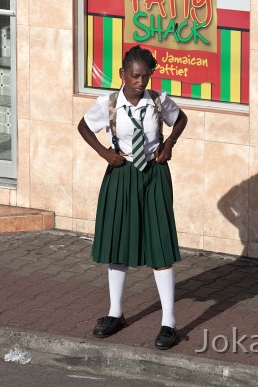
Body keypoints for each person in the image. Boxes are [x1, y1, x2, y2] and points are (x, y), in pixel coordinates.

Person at [77, 45, 188, 350]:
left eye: (147, 76)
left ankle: (169, 322)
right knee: (118, 241)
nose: (141, 82)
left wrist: (169, 146)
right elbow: (84, 127)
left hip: (154, 174)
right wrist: (105, 154)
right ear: (123, 74)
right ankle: (116, 313)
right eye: (136, 76)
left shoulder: (158, 101)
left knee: (161, 244)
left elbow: (180, 120)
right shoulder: (108, 103)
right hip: (122, 173)